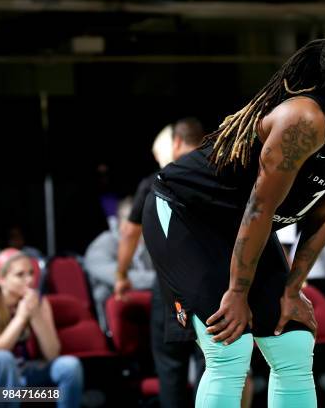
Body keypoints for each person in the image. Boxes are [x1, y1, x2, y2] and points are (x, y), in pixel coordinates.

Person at [142, 34, 325, 407]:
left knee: (294, 344)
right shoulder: (303, 121)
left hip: (243, 225)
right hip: (185, 214)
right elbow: (259, 209)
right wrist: (237, 293)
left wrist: (293, 290)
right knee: (229, 346)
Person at [114, 118, 208, 408]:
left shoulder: (157, 179)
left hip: (171, 292)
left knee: (171, 368)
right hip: (212, 289)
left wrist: (121, 274)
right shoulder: (218, 177)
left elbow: (130, 232)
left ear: (176, 143)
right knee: (213, 368)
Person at [0, 248, 83, 408]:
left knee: (69, 366)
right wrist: (20, 318)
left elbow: (52, 353)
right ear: (1, 279)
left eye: (31, 273)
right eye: (20, 275)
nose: (29, 280)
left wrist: (36, 316)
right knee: (3, 359)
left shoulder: (38, 303)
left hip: (27, 388)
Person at [84, 197, 156, 330]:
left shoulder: (146, 246)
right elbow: (121, 279)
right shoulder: (103, 244)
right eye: (136, 219)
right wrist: (162, 280)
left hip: (143, 314)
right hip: (110, 318)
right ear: (121, 222)